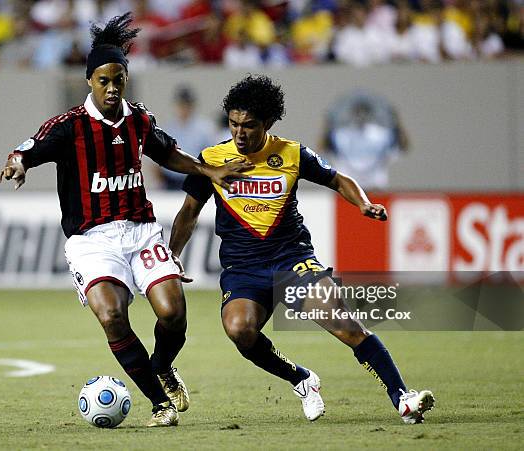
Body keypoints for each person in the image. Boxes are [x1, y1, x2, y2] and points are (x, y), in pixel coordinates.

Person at [0, 13, 250, 428]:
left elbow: (168, 154)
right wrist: (17, 165)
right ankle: (160, 403)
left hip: (140, 230)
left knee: (173, 313)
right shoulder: (69, 126)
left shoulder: (139, 119)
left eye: (119, 80)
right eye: (104, 81)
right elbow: (25, 149)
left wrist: (208, 171)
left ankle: (163, 366)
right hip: (91, 240)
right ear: (89, 82)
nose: (112, 88)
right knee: (112, 315)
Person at [169, 75, 434, 424]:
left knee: (344, 324)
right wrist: (170, 255)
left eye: (248, 125)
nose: (240, 133)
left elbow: (338, 179)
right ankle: (301, 379)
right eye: (233, 124)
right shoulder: (212, 159)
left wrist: (363, 204)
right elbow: (188, 213)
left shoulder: (292, 154)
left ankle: (402, 397)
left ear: (268, 123)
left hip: (291, 259)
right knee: (239, 329)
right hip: (243, 268)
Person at [321, 90, 409, 191]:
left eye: (364, 112)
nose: (361, 116)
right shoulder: (342, 135)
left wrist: (396, 123)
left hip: (375, 187)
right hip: (347, 188)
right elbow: (323, 147)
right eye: (357, 112)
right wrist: (327, 124)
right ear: (352, 114)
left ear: (370, 114)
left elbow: (403, 146)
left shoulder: (380, 134)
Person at [160, 85, 215, 190]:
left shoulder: (204, 128)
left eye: (187, 104)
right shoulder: (167, 128)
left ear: (192, 105)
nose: (184, 108)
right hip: (170, 181)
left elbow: (212, 157)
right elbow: (156, 159)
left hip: (196, 179)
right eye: (181, 104)